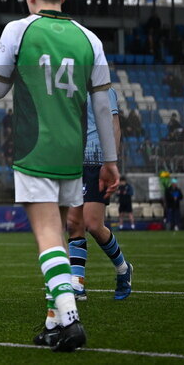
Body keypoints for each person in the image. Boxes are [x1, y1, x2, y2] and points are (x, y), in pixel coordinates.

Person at [0, 0, 118, 352]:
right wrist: (110, 161)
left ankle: (70, 317)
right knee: (59, 233)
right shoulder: (88, 39)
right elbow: (102, 107)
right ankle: (52, 321)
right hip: (73, 149)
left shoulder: (18, 29)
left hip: (34, 146)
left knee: (46, 235)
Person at [67, 88, 133, 301]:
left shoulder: (104, 90)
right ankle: (77, 286)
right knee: (74, 222)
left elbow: (114, 126)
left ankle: (123, 268)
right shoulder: (70, 85)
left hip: (97, 161)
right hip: (73, 161)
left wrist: (110, 161)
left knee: (93, 224)